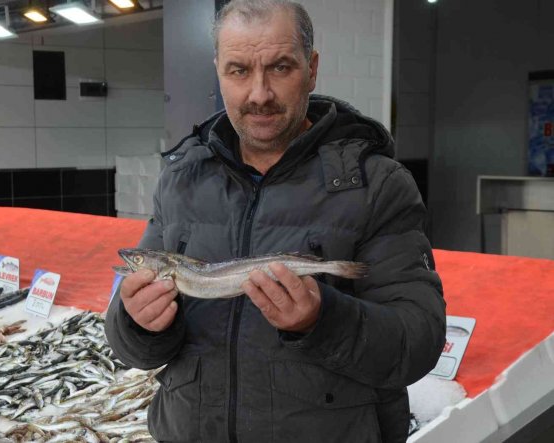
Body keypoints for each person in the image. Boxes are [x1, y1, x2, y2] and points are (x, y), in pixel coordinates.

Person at [106, 0, 446, 441]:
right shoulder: (182, 177)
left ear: (312, 68)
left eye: (280, 67)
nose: (259, 94)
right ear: (218, 71)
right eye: (238, 70)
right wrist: (138, 322)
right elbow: (132, 346)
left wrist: (322, 320)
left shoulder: (376, 183)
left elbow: (418, 341)